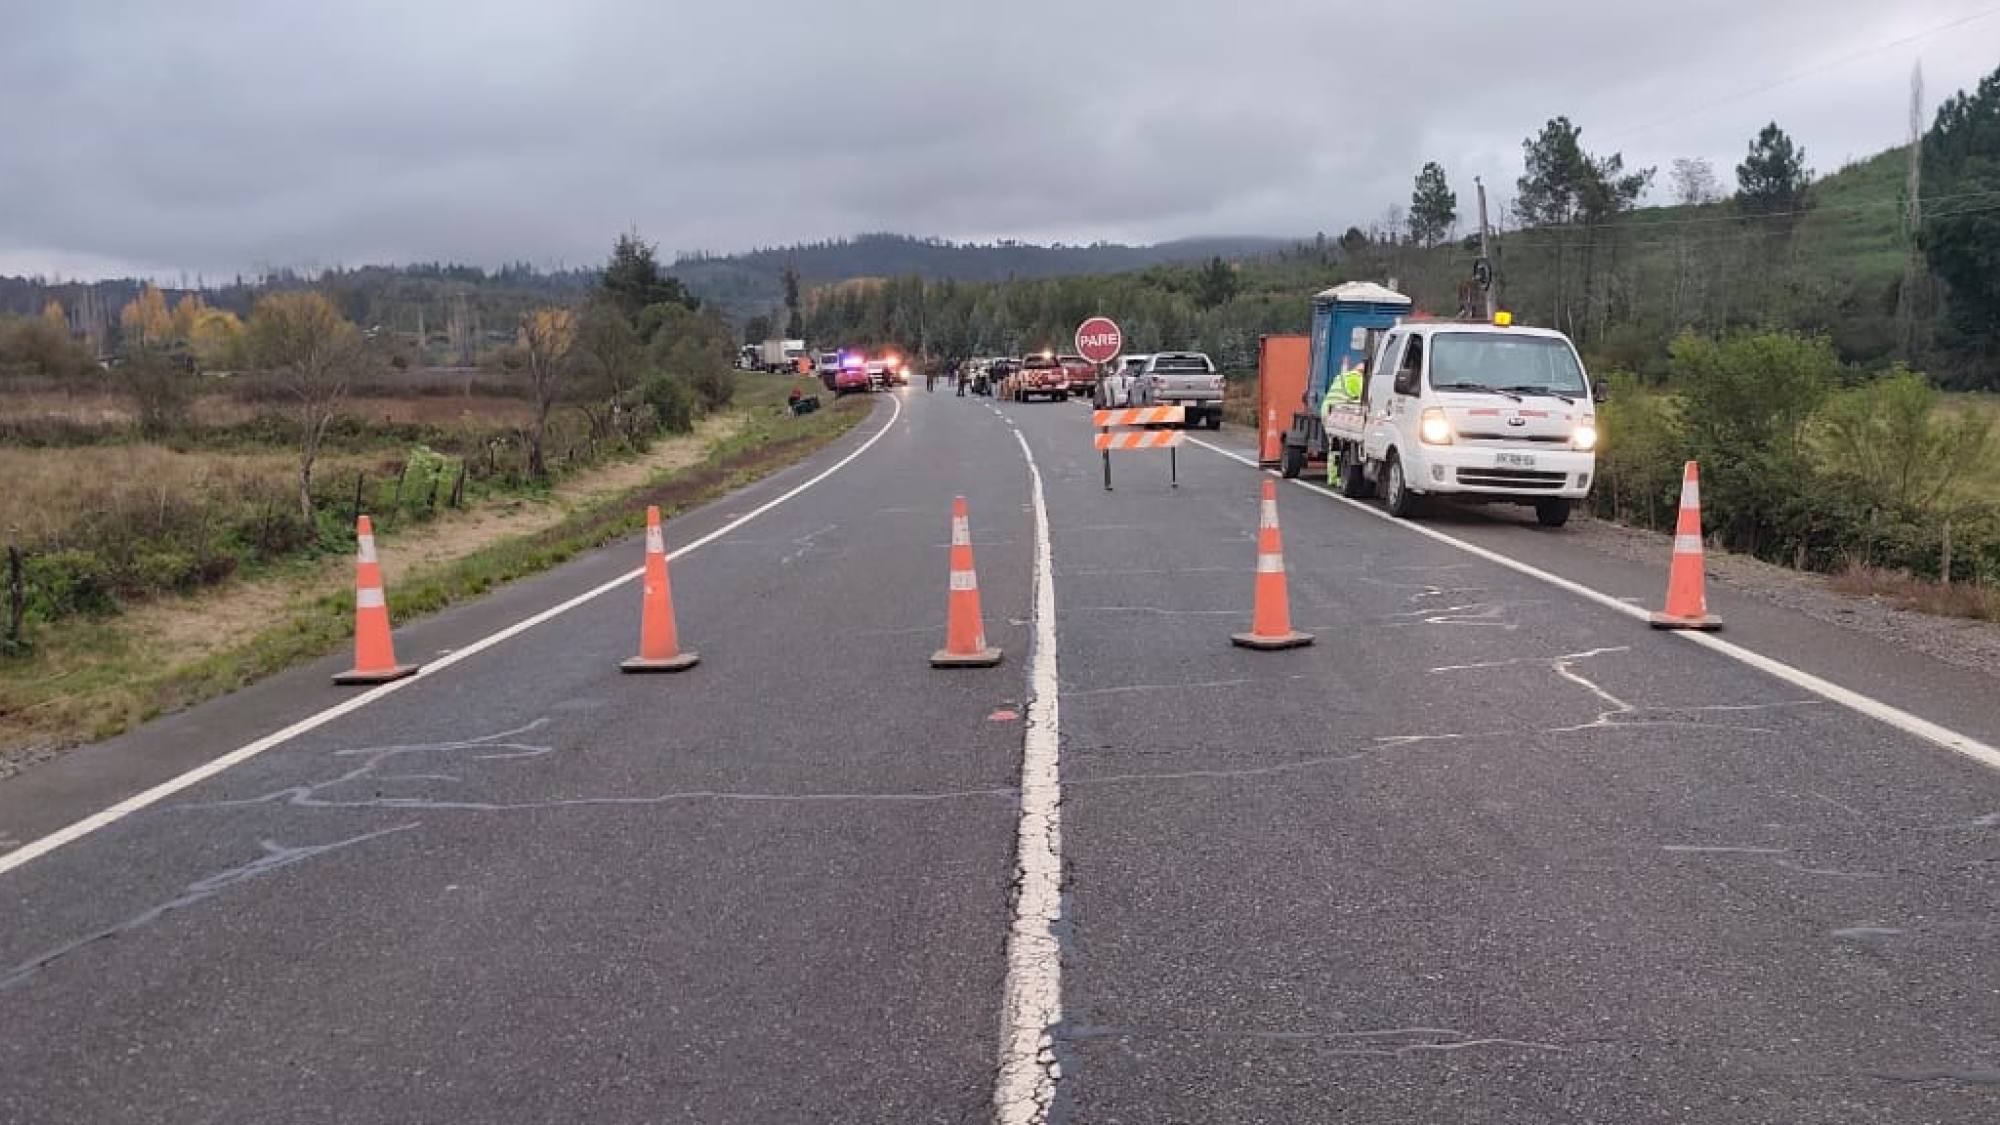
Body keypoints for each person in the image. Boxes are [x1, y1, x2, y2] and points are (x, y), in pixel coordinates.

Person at [1320, 360, 1365, 485]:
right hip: (1335, 413)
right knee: (1336, 448)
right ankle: (1334, 477)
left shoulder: (1342, 376)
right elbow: (1361, 398)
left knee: (1333, 446)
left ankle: (1332, 477)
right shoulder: (1356, 379)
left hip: (1328, 410)